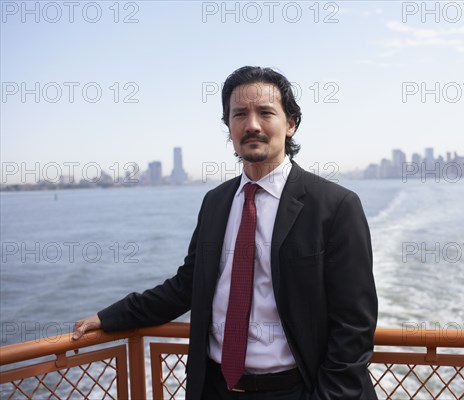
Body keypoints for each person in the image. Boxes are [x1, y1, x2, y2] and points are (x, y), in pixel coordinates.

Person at [73, 66, 378, 399]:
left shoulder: (335, 206)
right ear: (229, 127)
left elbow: (354, 324)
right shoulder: (216, 202)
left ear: (290, 124)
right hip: (216, 388)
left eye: (265, 113)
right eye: (239, 115)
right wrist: (110, 317)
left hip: (297, 389)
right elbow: (188, 284)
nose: (252, 125)